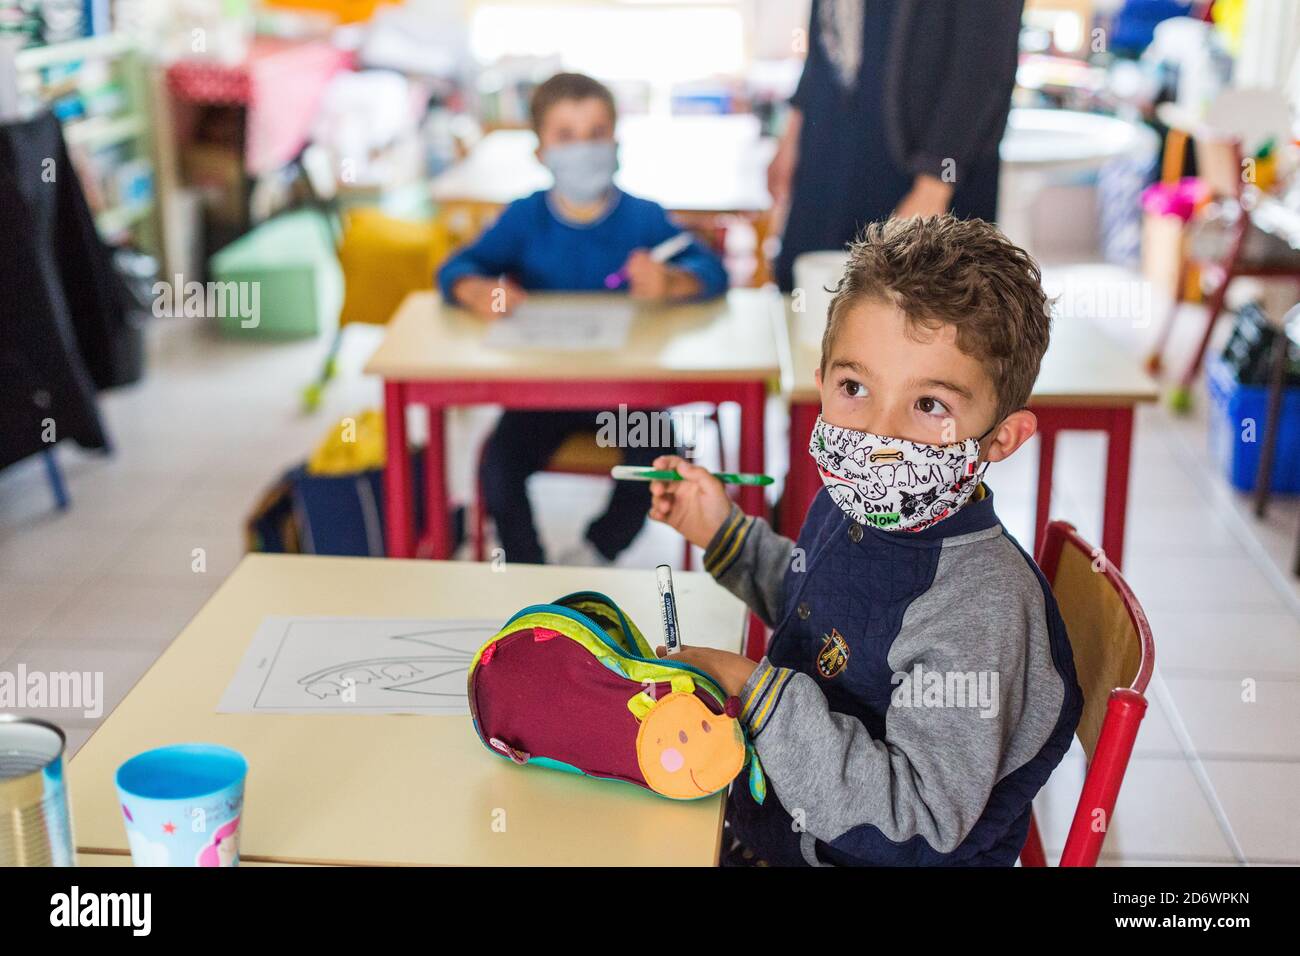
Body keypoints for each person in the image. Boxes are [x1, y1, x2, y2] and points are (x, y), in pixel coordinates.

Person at [648, 216, 1082, 865]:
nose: (879, 438)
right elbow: (820, 613)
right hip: (782, 821)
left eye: (929, 404)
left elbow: (917, 822)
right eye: (856, 388)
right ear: (821, 378)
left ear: (1001, 439)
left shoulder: (977, 608)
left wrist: (752, 687)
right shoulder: (866, 505)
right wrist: (722, 532)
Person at [438, 72, 729, 566]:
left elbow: (712, 270)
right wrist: (478, 290)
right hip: (541, 396)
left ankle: (596, 551)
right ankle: (528, 568)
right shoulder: (523, 219)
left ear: (616, 142)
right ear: (540, 152)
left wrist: (672, 282)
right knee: (497, 465)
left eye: (596, 133)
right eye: (566, 135)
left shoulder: (642, 217)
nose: (583, 148)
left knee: (659, 454)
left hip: (623, 397)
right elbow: (457, 268)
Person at [768, 0, 1024, 291]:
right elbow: (826, 40)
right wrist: (792, 135)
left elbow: (986, 60)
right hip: (831, 147)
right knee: (809, 293)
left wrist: (934, 184)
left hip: (922, 165)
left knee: (912, 310)